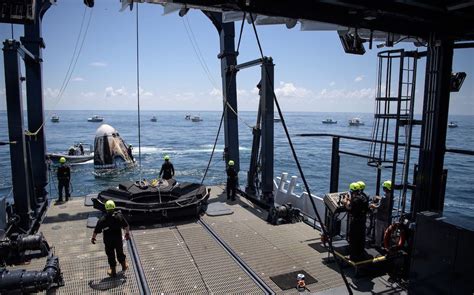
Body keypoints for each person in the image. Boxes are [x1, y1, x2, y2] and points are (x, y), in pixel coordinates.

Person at [91, 200, 130, 277]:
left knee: (110, 254)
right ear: (114, 207)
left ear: (106, 208)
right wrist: (127, 234)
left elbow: (96, 231)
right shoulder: (119, 216)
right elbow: (126, 226)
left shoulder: (102, 220)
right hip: (118, 239)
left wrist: (93, 238)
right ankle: (124, 265)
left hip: (108, 241)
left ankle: (113, 271)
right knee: (120, 252)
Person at [343, 182, 369, 261]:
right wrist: (350, 199)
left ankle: (353, 256)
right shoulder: (363, 198)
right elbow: (357, 202)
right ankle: (360, 253)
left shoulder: (355, 200)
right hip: (362, 221)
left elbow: (349, 207)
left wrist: (345, 200)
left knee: (353, 238)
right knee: (361, 237)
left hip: (356, 222)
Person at [370, 180, 392, 246]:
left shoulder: (384, 197)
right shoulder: (391, 196)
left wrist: (373, 205)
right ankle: (385, 243)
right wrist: (380, 198)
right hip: (387, 217)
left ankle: (377, 244)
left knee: (378, 231)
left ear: (385, 188)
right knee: (386, 232)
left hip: (381, 217)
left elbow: (379, 207)